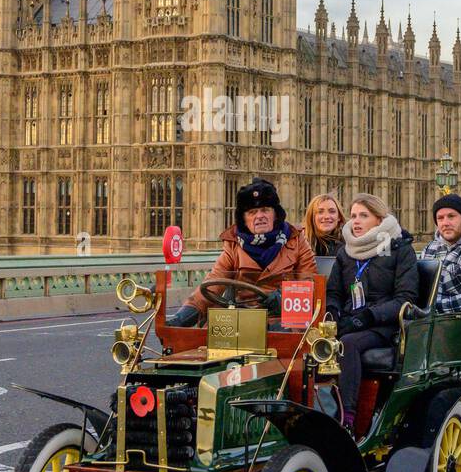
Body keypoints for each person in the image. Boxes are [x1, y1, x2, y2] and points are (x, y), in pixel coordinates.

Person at [324, 194, 418, 434]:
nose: (356, 221)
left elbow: (405, 299)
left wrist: (367, 317)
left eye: (363, 216)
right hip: (350, 320)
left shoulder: (399, 249)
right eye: (353, 215)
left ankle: (347, 418)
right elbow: (334, 292)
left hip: (383, 325)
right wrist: (333, 313)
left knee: (348, 344)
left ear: (379, 219)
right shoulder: (347, 252)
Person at [166, 177, 316, 327]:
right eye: (252, 212)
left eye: (265, 210)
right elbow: (214, 282)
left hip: (282, 321)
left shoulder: (296, 240)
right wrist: (182, 316)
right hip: (242, 320)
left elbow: (309, 283)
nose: (259, 216)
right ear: (244, 219)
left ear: (276, 214)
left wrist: (283, 298)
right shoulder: (234, 244)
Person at [302, 192, 345, 258]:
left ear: (339, 217)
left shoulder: (349, 247)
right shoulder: (298, 246)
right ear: (312, 217)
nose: (326, 216)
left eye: (332, 211)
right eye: (320, 212)